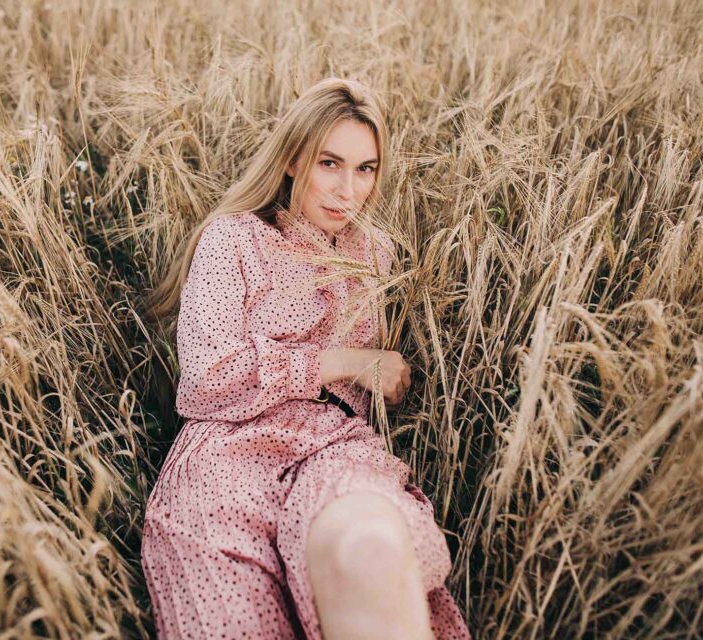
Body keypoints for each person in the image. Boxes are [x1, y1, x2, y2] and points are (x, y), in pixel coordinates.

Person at [141, 77, 471, 640]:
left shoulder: (376, 252)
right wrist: (345, 362)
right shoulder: (234, 239)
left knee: (369, 551)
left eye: (365, 169)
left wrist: (388, 379)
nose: (348, 190)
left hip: (332, 449)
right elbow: (206, 378)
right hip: (229, 456)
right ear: (293, 159)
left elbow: (373, 379)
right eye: (329, 163)